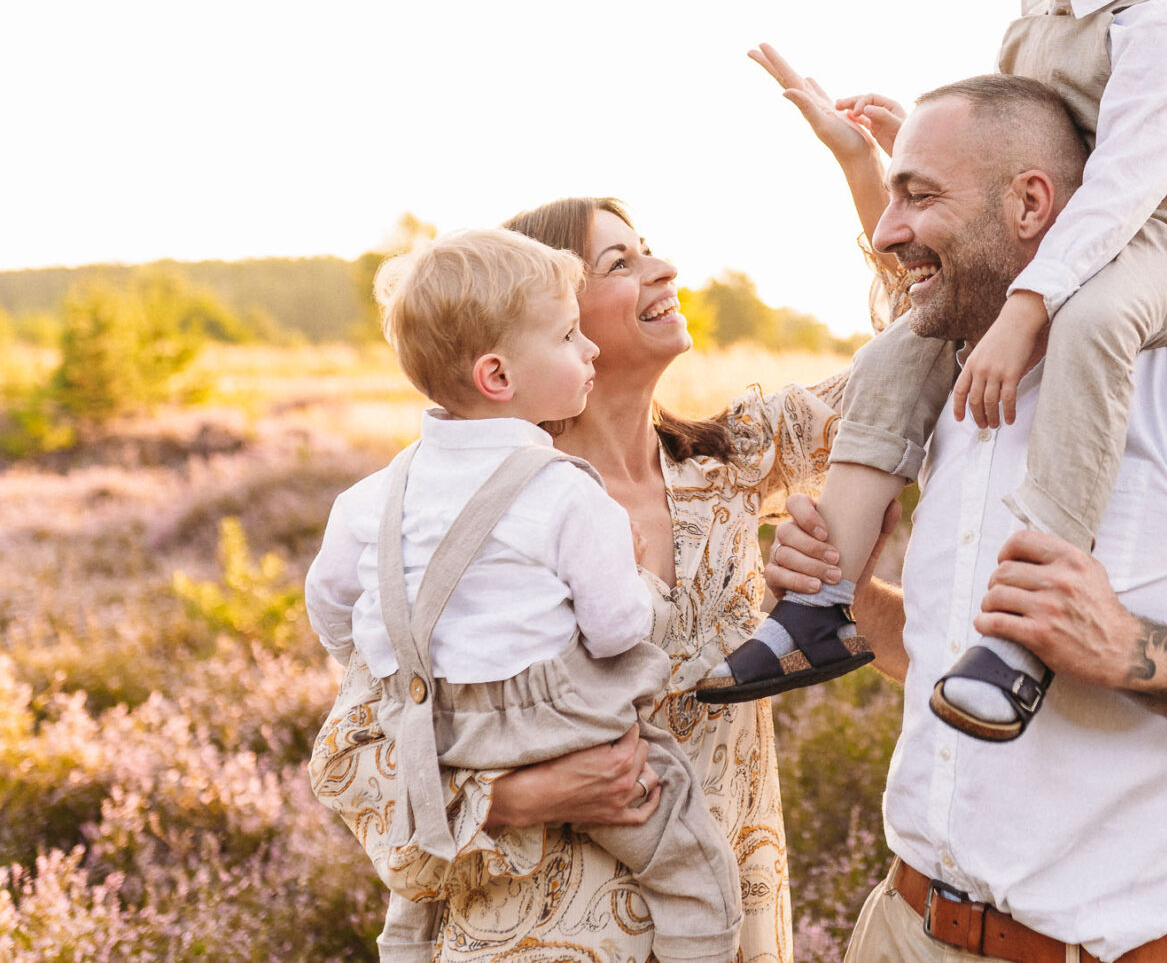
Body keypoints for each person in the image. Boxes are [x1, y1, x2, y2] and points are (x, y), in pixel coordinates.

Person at [762, 77, 1167, 962]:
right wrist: (853, 599)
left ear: (1031, 204)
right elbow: (952, 650)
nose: (887, 231)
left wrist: (1127, 650)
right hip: (900, 929)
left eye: (920, 195)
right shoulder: (953, 383)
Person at [703, 0, 1167, 742]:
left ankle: (1029, 623)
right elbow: (1021, 167)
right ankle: (822, 601)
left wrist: (1026, 309)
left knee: (1093, 320)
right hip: (1079, 232)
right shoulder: (1030, 28)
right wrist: (910, 155)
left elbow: (1122, 189)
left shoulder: (1158, 31)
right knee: (905, 344)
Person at [308, 184, 880, 963]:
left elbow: (917, 358)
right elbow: (350, 764)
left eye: (648, 250)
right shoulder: (464, 518)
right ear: (525, 326)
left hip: (730, 930)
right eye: (620, 262)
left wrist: (864, 170)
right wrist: (516, 796)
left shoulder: (732, 466)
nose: (664, 269)